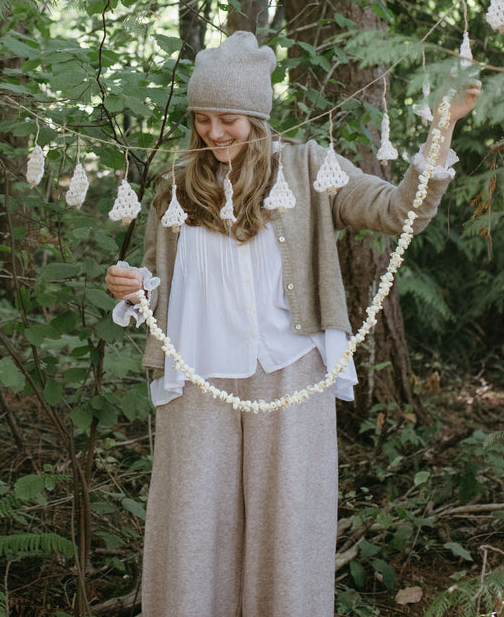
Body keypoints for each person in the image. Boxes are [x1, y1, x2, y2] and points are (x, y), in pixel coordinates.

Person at [105, 31, 482, 617]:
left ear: (256, 115)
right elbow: (155, 282)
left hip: (290, 375)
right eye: (203, 119)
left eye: (228, 118)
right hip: (197, 378)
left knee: (290, 526)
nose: (214, 132)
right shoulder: (175, 188)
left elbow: (395, 209)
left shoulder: (310, 167)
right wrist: (131, 286)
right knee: (192, 528)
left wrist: (443, 127)